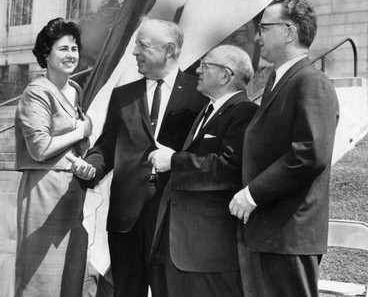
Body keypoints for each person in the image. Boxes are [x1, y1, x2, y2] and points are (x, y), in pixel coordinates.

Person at [72, 18, 207, 297]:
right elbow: (106, 146)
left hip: (174, 219)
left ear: (169, 50)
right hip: (126, 220)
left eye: (143, 45)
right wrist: (91, 167)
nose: (134, 52)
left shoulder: (200, 94)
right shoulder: (123, 95)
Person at [229, 0, 339, 297]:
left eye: (264, 27)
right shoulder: (280, 81)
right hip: (270, 234)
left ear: (290, 32)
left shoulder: (311, 82)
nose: (257, 36)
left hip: (289, 236)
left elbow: (310, 153)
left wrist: (253, 193)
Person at [148, 44, 257, 297]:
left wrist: (174, 161)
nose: (198, 69)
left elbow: (229, 168)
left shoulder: (245, 112)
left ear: (225, 75)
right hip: (180, 246)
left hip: (208, 253)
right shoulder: (207, 110)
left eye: (206, 65)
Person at [14, 17, 93, 297]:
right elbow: (40, 148)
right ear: (46, 54)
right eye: (63, 49)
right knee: (41, 273)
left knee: (71, 271)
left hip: (74, 189)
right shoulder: (36, 92)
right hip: (44, 189)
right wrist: (80, 130)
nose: (71, 55)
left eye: (74, 48)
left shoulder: (76, 89)